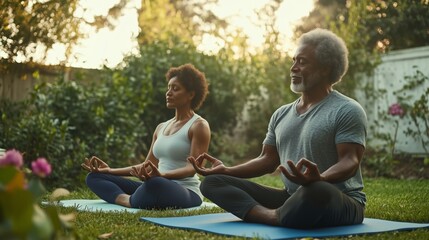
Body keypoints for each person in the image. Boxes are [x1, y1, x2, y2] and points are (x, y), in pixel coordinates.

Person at [189, 28, 367, 229]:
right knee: (213, 182)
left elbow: (350, 160)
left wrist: (321, 178)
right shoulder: (281, 114)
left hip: (337, 199)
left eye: (302, 62)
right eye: (293, 61)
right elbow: (268, 160)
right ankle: (273, 215)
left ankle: (278, 215)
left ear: (325, 68)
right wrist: (229, 170)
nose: (293, 68)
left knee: (317, 190)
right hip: (292, 197)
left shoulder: (347, 109)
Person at [81, 63, 210, 210]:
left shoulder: (199, 125)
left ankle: (133, 199)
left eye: (175, 89)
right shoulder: (161, 127)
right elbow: (147, 166)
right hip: (154, 183)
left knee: (155, 184)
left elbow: (192, 168)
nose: (168, 93)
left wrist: (162, 175)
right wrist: (110, 171)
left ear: (191, 94)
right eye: (168, 88)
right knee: (94, 177)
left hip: (185, 191)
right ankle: (126, 199)